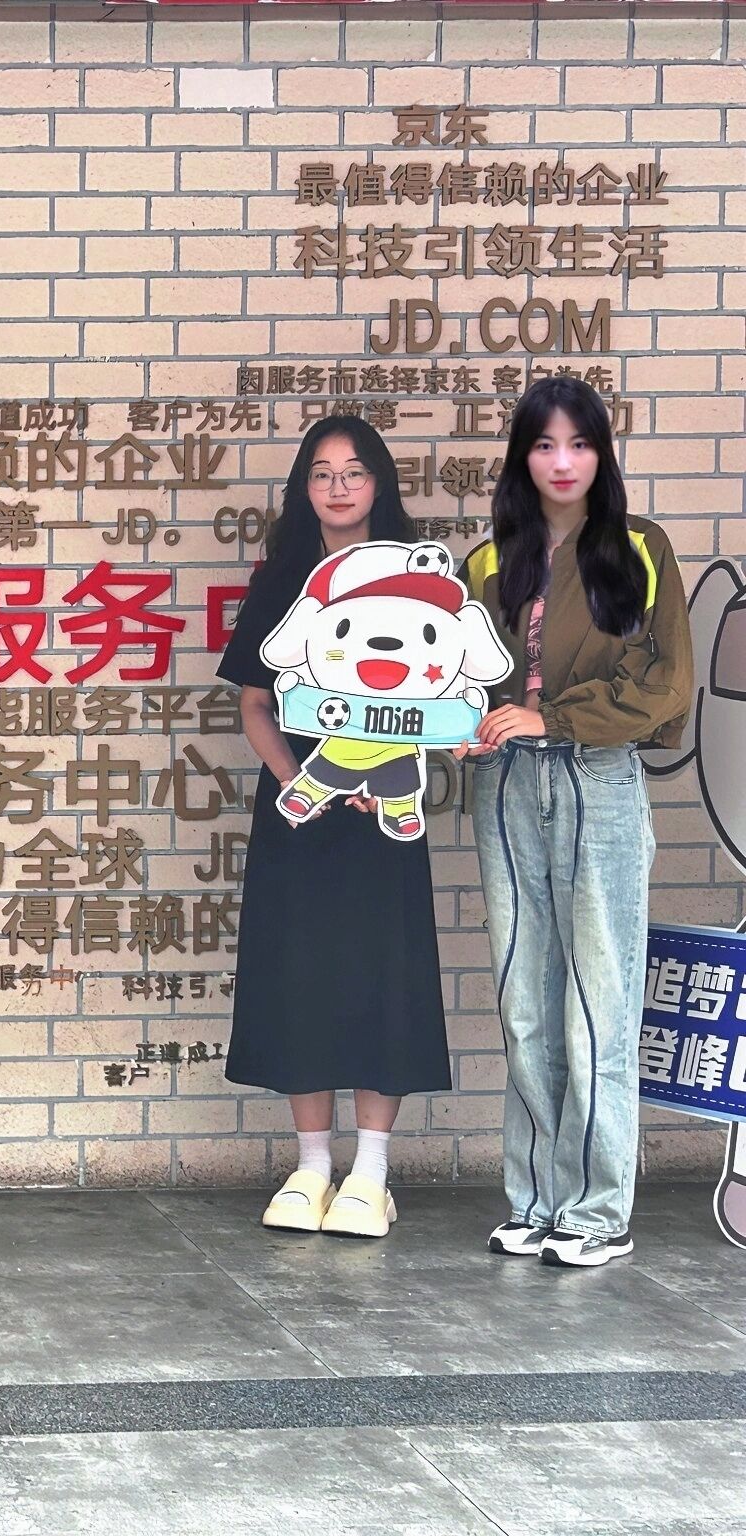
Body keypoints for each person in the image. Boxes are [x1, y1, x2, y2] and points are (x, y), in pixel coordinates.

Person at [466, 376, 693, 1267]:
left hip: (597, 781)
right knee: (525, 1003)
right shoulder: (490, 561)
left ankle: (598, 1211)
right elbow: (460, 677)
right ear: (522, 458)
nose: (563, 462)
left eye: (580, 443)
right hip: (505, 787)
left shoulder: (639, 548)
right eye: (544, 445)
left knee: (598, 1004)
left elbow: (665, 681)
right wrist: (464, 726)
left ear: (602, 454)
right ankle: (535, 1200)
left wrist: (553, 718)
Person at [216, 415, 451, 1240]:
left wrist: (385, 774)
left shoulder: (417, 575)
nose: (338, 487)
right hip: (301, 812)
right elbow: (254, 704)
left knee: (384, 975)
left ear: (379, 482)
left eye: (354, 472)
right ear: (303, 487)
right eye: (321, 473)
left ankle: (372, 1173)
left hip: (386, 814)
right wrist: (301, 781)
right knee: (300, 975)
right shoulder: (282, 579)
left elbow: (443, 697)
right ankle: (313, 1165)